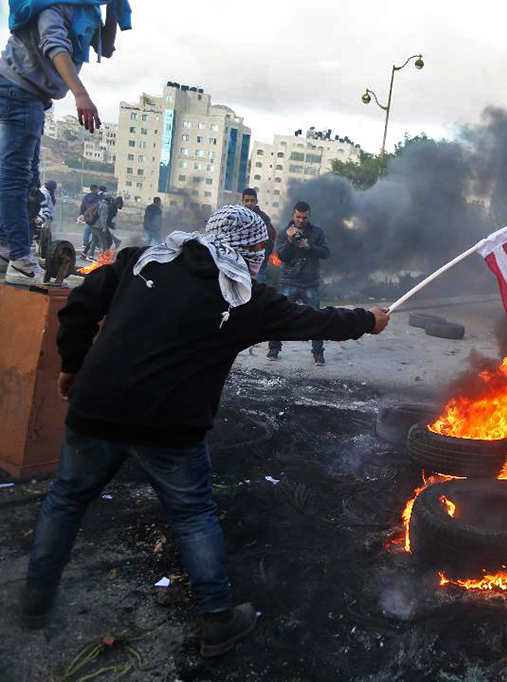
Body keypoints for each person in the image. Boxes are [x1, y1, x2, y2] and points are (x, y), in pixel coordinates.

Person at [17, 204, 390, 657]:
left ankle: (34, 600)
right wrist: (368, 320)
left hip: (96, 408)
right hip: (170, 426)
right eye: (262, 247)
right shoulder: (245, 298)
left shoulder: (142, 260)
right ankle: (217, 620)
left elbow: (78, 305)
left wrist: (72, 366)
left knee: (66, 498)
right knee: (194, 516)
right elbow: (319, 321)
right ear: (253, 248)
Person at [0, 1, 131, 286]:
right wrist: (80, 94)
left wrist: (113, 10)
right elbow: (53, 44)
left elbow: (105, 48)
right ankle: (19, 259)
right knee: (15, 179)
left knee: (29, 182)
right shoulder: (55, 4)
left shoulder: (88, 9)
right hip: (18, 89)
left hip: (34, 97)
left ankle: (7, 250)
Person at [267, 201, 330, 365]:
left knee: (316, 318)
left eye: (305, 217)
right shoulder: (283, 233)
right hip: (289, 281)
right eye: (298, 217)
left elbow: (325, 253)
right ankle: (274, 348)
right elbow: (282, 257)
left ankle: (318, 353)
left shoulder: (317, 232)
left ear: (309, 216)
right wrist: (289, 241)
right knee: (279, 314)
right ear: (293, 215)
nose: (301, 220)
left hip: (310, 283)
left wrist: (309, 247)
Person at [240, 188, 274, 285]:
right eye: (246, 200)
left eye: (252, 200)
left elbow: (265, 240)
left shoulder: (263, 218)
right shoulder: (237, 216)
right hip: (240, 262)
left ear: (256, 202)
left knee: (257, 295)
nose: (249, 203)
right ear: (242, 201)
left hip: (258, 264)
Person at [84, 191, 122, 257]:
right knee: (104, 242)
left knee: (94, 240)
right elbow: (103, 217)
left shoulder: (100, 203)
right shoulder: (105, 206)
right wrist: (105, 226)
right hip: (100, 226)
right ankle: (104, 256)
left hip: (94, 225)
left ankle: (87, 254)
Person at [79, 184, 100, 251]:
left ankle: (85, 243)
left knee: (87, 229)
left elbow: (82, 206)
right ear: (96, 189)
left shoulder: (86, 197)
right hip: (96, 216)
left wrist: (81, 214)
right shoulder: (98, 197)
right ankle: (96, 244)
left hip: (87, 215)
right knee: (96, 230)